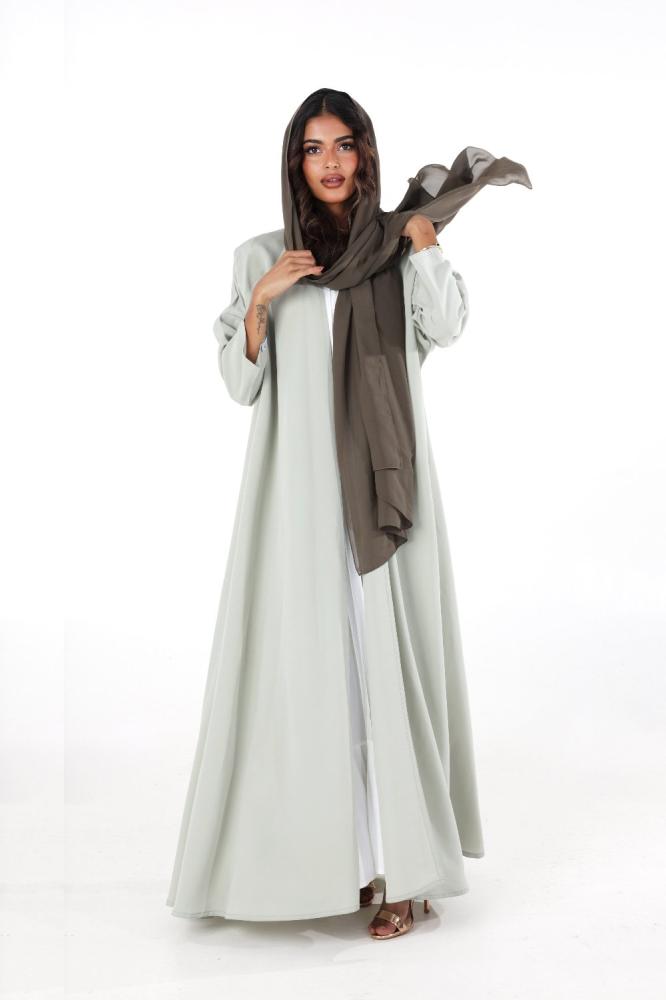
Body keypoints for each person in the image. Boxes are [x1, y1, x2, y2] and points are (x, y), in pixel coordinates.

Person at [166, 88, 488, 940]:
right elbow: (239, 384)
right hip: (300, 506)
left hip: (385, 503)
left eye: (344, 145)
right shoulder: (262, 256)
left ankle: (406, 876)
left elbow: (447, 326)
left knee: (389, 677)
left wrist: (424, 245)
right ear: (295, 163)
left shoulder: (395, 249)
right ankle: (336, 865)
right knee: (316, 685)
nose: (332, 162)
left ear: (366, 154)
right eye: (314, 149)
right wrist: (263, 299)